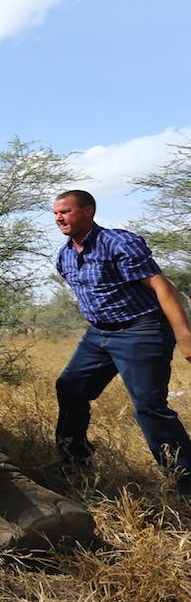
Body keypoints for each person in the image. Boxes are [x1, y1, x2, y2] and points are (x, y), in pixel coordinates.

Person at [52, 189, 191, 494]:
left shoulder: (117, 243)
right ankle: (75, 463)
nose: (60, 218)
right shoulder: (64, 256)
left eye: (66, 211)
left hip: (140, 330)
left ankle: (185, 481)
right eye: (56, 213)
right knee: (70, 387)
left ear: (88, 211)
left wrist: (184, 336)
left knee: (149, 407)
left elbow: (161, 287)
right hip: (99, 333)